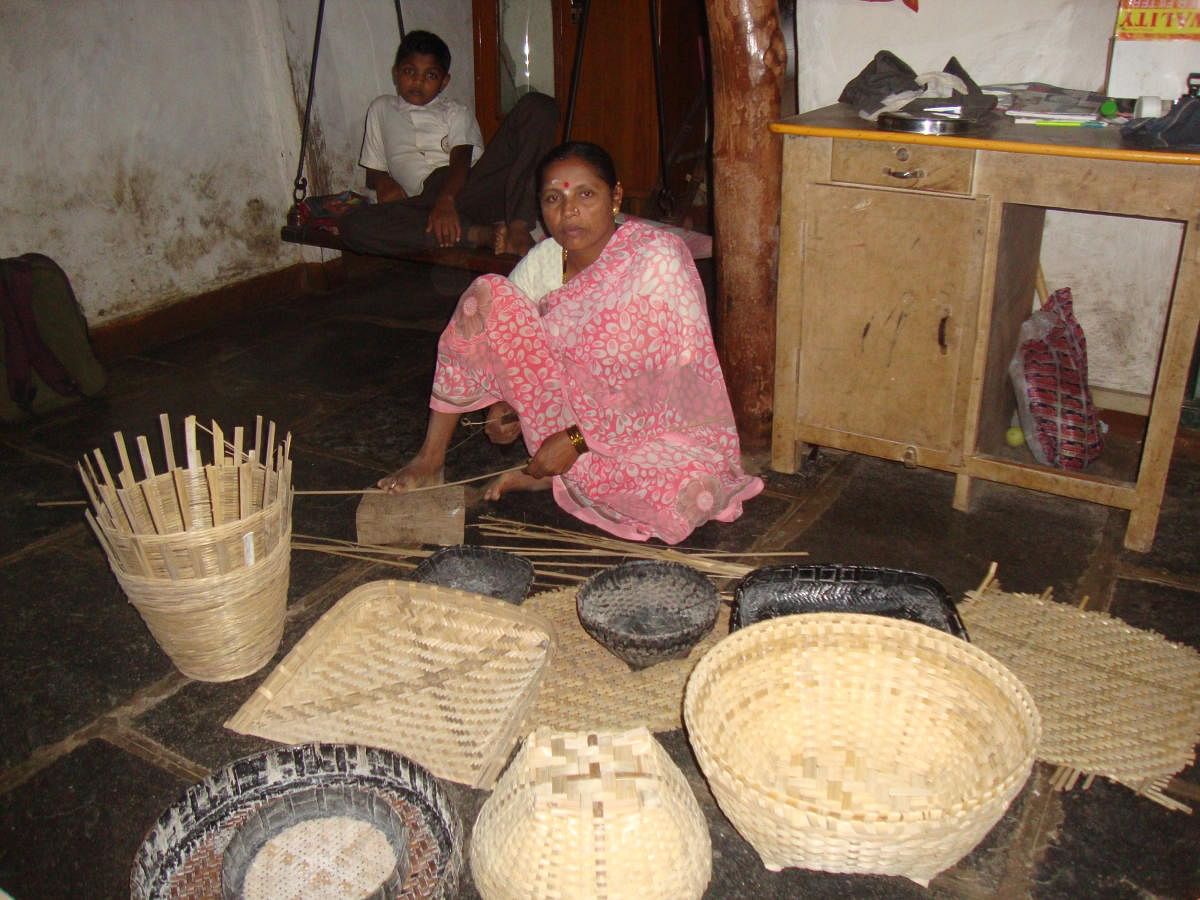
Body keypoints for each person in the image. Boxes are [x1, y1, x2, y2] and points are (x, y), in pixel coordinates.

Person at [379, 141, 763, 545]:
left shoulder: (655, 259)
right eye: (553, 198)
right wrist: (506, 404)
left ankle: (553, 475)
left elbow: (660, 383)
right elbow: (505, 340)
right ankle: (430, 459)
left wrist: (578, 440)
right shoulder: (545, 260)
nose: (569, 211)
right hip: (564, 416)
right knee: (484, 295)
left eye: (585, 194)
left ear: (614, 196)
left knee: (693, 494)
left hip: (651, 425)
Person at [339, 30, 558, 258]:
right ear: (395, 74)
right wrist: (384, 182)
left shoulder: (455, 111)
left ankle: (519, 226)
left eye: (430, 75)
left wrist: (446, 200)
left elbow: (460, 160)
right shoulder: (381, 108)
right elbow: (373, 172)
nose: (418, 81)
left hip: (470, 188)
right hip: (422, 204)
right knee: (352, 224)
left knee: (539, 106)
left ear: (444, 82)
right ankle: (478, 234)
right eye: (409, 71)